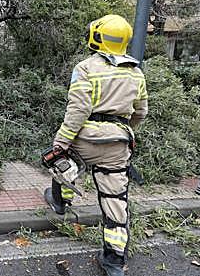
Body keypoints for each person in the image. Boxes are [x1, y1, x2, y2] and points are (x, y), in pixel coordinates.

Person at [43, 15, 148, 276]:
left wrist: (62, 142)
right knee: (115, 199)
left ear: (97, 37)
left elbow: (78, 109)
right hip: (117, 145)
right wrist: (122, 131)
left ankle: (60, 201)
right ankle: (113, 259)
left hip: (84, 138)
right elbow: (141, 112)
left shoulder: (85, 68)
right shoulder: (136, 72)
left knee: (62, 163)